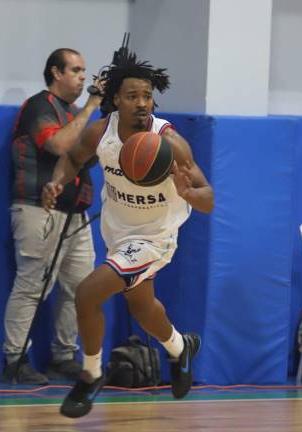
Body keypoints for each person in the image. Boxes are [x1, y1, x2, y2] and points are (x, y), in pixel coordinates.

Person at [41, 45, 214, 418]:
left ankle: (91, 374)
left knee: (87, 293)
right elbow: (72, 158)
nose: (142, 103)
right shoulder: (100, 132)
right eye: (132, 96)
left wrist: (188, 193)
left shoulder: (169, 142)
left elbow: (208, 199)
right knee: (142, 308)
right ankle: (180, 347)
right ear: (116, 99)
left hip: (155, 238)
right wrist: (57, 182)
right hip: (118, 234)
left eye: (147, 96)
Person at [1, 48, 105, 385]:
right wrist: (90, 106)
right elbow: (58, 146)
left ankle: (64, 356)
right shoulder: (39, 106)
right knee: (32, 286)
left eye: (84, 71)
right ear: (56, 73)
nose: (83, 77)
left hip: (75, 214)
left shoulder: (73, 114)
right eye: (75, 70)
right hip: (38, 208)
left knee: (81, 288)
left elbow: (86, 156)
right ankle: (15, 360)